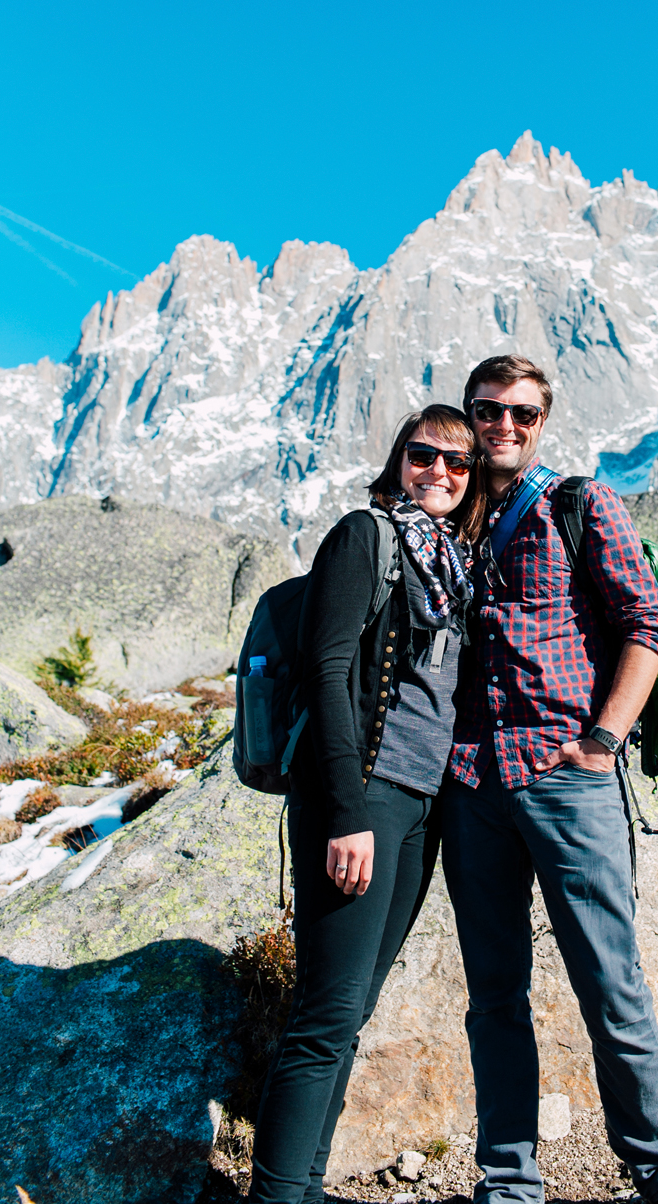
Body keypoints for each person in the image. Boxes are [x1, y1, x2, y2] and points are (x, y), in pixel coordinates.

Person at [441, 354, 658, 1204]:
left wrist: (604, 739)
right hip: (471, 785)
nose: (504, 425)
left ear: (543, 423)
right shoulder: (448, 513)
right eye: (490, 409)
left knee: (609, 977)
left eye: (523, 414)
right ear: (470, 414)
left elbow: (649, 622)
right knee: (493, 994)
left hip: (568, 776)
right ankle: (509, 1185)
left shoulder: (581, 503)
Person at [248, 403, 485, 1204]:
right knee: (326, 1011)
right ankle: (278, 1194)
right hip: (364, 798)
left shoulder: (452, 560)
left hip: (421, 806)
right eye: (425, 456)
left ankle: (306, 1184)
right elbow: (326, 671)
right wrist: (348, 812)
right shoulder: (366, 535)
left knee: (352, 1008)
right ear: (399, 460)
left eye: (458, 463)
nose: (440, 474)